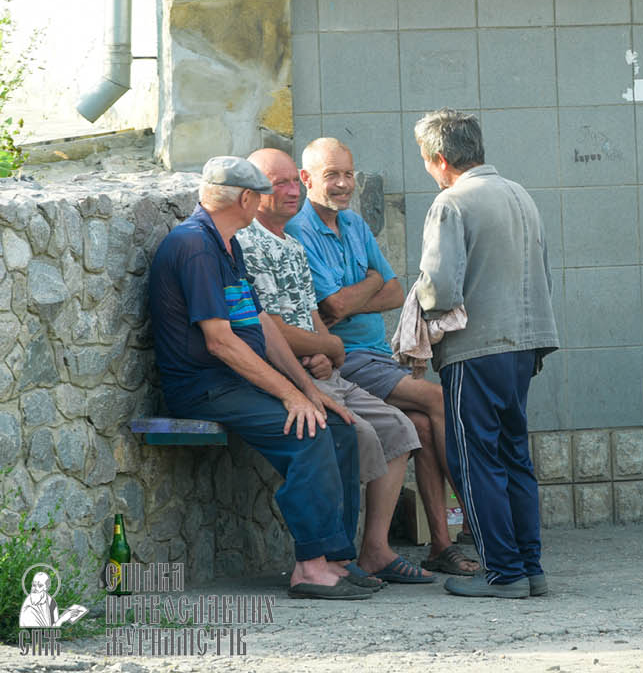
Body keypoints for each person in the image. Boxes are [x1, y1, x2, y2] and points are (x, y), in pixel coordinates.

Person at [239, 148, 465, 583]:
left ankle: (404, 547)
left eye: (349, 174)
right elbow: (320, 311)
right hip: (333, 364)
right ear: (307, 179)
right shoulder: (281, 235)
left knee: (410, 427)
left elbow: (394, 292)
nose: (343, 184)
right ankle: (474, 520)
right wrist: (353, 310)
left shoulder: (330, 231)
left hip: (347, 361)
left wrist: (338, 326)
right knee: (426, 403)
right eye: (331, 175)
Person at [148, 156, 369, 601]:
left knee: (339, 427)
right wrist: (291, 398)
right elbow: (220, 343)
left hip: (235, 381)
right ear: (246, 198)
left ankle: (335, 559)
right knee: (309, 433)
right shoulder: (194, 246)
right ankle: (309, 567)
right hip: (205, 386)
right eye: (262, 193)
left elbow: (261, 325)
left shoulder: (228, 243)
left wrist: (310, 391)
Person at [412, 109, 558, 599]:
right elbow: (543, 272)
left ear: (439, 158)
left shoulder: (451, 203)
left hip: (476, 348)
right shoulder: (520, 194)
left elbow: (439, 290)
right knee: (515, 454)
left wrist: (418, 311)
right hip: (526, 341)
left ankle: (504, 573)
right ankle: (529, 568)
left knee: (475, 459)